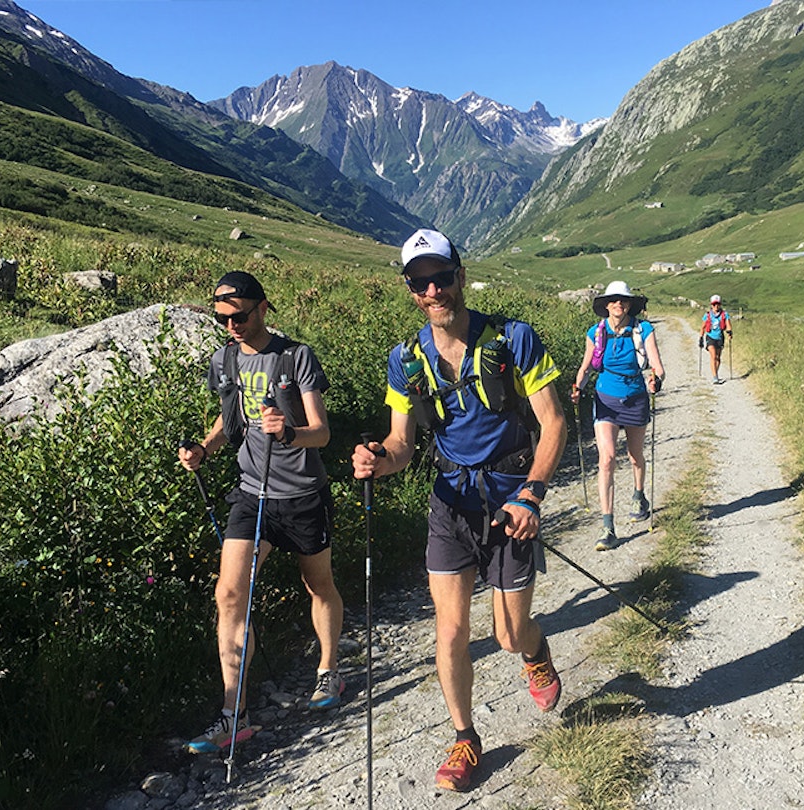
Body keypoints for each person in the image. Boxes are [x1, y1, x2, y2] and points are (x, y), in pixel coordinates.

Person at [351, 228, 568, 793]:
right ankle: (465, 738)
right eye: (419, 283)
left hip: (508, 496)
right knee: (449, 631)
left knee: (507, 633)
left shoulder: (513, 339)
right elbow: (402, 447)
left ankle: (536, 650)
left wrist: (533, 493)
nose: (432, 291)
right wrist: (378, 458)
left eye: (440, 278)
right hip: (450, 502)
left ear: (460, 276)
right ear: (409, 289)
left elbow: (554, 423)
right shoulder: (406, 360)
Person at [177, 271, 343, 755]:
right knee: (229, 594)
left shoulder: (295, 356)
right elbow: (229, 423)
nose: (232, 325)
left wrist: (289, 433)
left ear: (263, 308)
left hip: (303, 494)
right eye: (222, 318)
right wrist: (203, 449)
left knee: (318, 585)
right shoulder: (224, 360)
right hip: (252, 494)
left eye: (240, 316)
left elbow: (322, 432)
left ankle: (328, 671)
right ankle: (234, 715)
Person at [571, 280, 666, 551]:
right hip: (605, 399)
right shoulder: (595, 332)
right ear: (606, 305)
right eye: (613, 300)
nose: (618, 304)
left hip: (636, 396)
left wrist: (656, 380)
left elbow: (658, 366)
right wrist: (578, 386)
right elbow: (587, 367)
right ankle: (607, 527)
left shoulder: (643, 329)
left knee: (635, 456)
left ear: (629, 304)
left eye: (623, 300)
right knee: (607, 458)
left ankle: (639, 496)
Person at [701, 294, 732, 383]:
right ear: (711, 305)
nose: (716, 306)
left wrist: (729, 332)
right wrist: (701, 337)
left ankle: (715, 373)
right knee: (713, 356)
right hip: (710, 337)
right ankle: (715, 377)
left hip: (720, 337)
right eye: (714, 304)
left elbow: (728, 324)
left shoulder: (724, 314)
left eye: (717, 304)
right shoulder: (707, 315)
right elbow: (703, 327)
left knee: (718, 358)